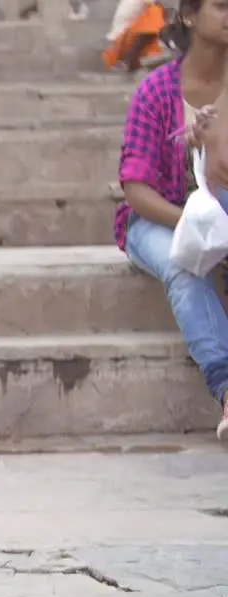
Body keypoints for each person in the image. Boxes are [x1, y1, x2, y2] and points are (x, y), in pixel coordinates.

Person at [116, 0, 228, 443]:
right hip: (159, 218)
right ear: (189, 15)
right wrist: (197, 225)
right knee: (184, 263)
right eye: (220, 5)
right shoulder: (157, 91)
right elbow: (136, 190)